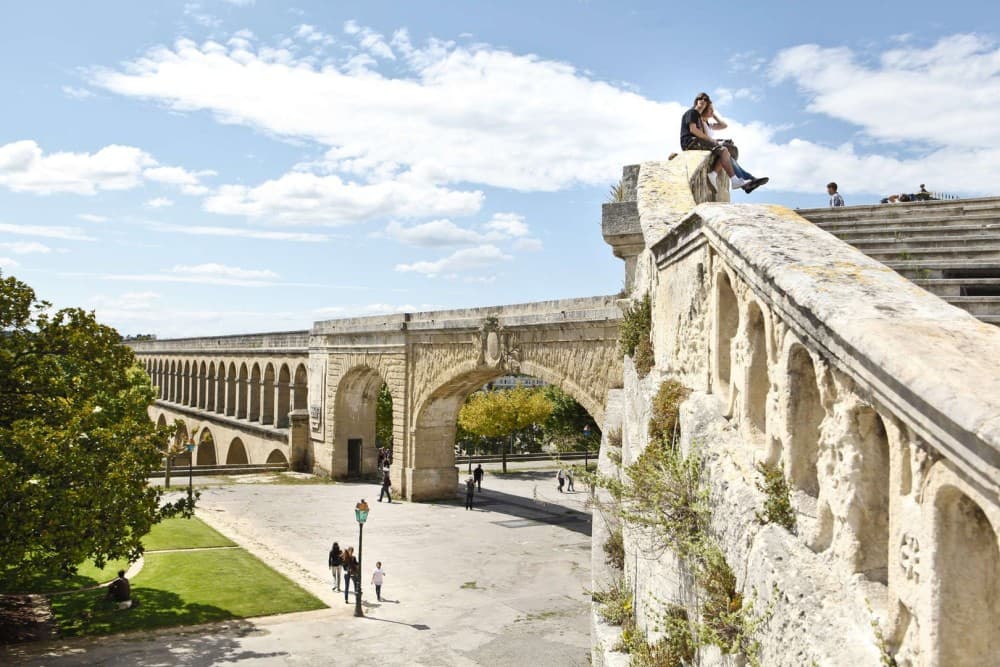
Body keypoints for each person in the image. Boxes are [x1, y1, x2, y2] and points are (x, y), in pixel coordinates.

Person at [681, 92, 764, 193]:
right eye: (700, 99)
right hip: (691, 142)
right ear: (696, 101)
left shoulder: (699, 117)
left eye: (705, 100)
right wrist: (712, 141)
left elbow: (722, 126)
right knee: (724, 151)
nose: (702, 100)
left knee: (726, 153)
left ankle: (741, 181)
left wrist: (716, 139)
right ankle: (737, 179)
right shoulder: (692, 113)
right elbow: (693, 130)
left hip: (696, 142)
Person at [700, 100, 768, 194]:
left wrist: (714, 115)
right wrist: (720, 141)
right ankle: (748, 180)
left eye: (713, 109)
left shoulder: (709, 124)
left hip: (715, 147)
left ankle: (748, 181)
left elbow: (724, 125)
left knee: (729, 157)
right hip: (710, 147)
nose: (712, 111)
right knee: (727, 154)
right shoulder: (700, 122)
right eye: (710, 109)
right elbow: (704, 138)